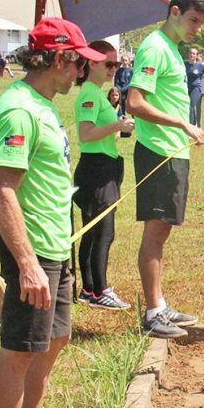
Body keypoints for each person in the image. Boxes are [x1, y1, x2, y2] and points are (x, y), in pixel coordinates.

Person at [0, 18, 106, 408]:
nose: (82, 74)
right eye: (79, 64)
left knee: (56, 336)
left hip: (54, 241)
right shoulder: (19, 111)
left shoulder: (42, 104)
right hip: (32, 247)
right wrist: (27, 263)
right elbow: (3, 192)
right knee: (20, 347)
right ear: (58, 58)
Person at [125, 0, 204, 339]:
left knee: (162, 231)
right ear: (174, 12)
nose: (197, 28)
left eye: (201, 23)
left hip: (174, 150)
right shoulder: (154, 47)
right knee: (156, 230)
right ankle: (152, 312)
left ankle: (159, 305)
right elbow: (134, 102)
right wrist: (181, 123)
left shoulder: (173, 50)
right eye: (193, 20)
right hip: (158, 150)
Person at [74, 39, 135, 311]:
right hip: (96, 169)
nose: (114, 69)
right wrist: (116, 125)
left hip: (101, 166)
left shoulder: (97, 93)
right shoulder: (89, 93)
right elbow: (85, 134)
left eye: (116, 64)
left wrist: (119, 128)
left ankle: (88, 288)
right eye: (109, 64)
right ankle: (100, 290)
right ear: (91, 63)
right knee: (103, 232)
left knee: (92, 231)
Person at [184, 47, 204, 127]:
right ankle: (194, 123)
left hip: (196, 89)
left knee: (190, 106)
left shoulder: (200, 66)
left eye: (193, 53)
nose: (191, 55)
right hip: (187, 88)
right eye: (190, 53)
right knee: (188, 106)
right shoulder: (184, 64)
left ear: (196, 56)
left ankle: (190, 126)